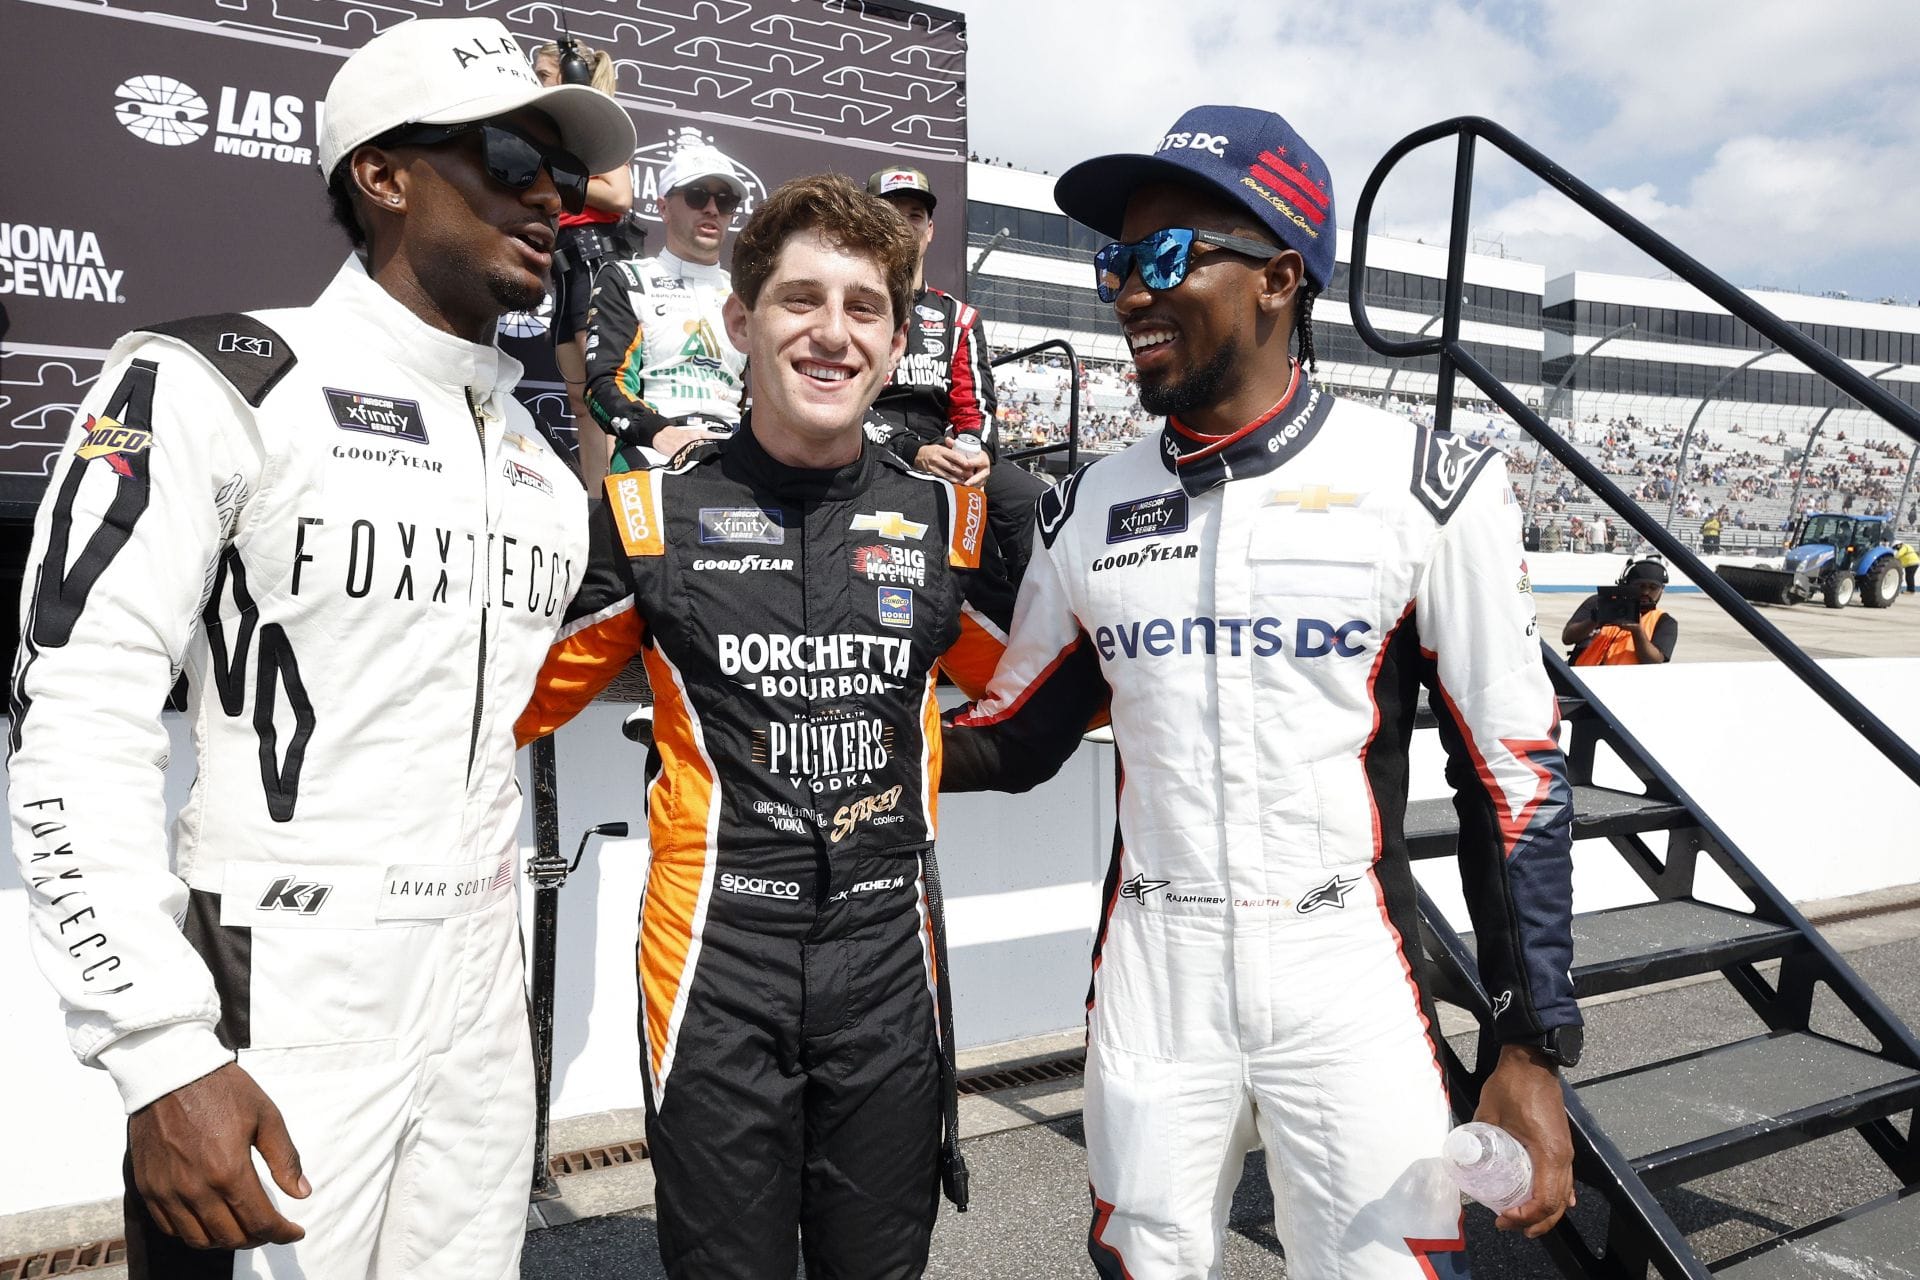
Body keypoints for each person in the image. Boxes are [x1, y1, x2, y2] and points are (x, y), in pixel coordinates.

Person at [6, 19, 632, 1278]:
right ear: (382, 175)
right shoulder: (210, 380)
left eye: (560, 179)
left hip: (478, 991)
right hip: (278, 983)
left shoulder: (541, 463)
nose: (545, 201)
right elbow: (74, 711)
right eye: (511, 158)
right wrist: (160, 1049)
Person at [940, 105, 1581, 1278]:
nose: (1128, 292)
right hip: (1155, 964)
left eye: (1166, 257)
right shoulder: (1083, 504)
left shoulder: (1429, 487)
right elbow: (1017, 735)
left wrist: (1531, 1040)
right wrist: (839, 739)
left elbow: (1515, 779)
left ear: (1282, 278)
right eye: (1116, 262)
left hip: (1346, 961)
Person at [515, 174, 1016, 1278]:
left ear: (895, 342)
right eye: (800, 300)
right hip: (714, 960)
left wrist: (930, 758)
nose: (832, 332)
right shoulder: (646, 518)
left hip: (890, 959)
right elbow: (503, 703)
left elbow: (1039, 701)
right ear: (742, 323)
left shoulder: (949, 521)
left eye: (864, 306)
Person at [865, 166, 1047, 577]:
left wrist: (975, 452)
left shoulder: (958, 317)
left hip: (941, 449)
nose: (902, 225)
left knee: (1034, 501)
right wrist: (913, 451)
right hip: (867, 448)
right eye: (889, 213)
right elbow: (846, 402)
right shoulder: (850, 305)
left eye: (913, 215)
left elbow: (976, 406)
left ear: (929, 230)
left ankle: (1041, 627)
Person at [583, 141, 749, 478]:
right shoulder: (628, 278)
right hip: (654, 444)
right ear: (663, 207)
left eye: (725, 200)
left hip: (734, 447)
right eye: (697, 195)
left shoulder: (744, 293)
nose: (712, 209)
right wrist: (661, 434)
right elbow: (602, 386)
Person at [532, 39, 635, 484]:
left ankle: (619, 509)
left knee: (601, 394)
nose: (532, 80)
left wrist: (554, 169)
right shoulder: (546, 134)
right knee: (579, 401)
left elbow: (619, 195)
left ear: (569, 77)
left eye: (540, 75)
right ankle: (597, 507)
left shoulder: (594, 128)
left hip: (594, 261)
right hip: (562, 270)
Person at [1565, 559, 1676, 665]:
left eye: (1653, 587)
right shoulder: (1598, 602)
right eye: (1640, 586)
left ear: (1661, 590)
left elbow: (1654, 661)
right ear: (1626, 584)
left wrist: (1637, 631)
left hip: (1625, 681)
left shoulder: (1664, 621)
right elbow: (1567, 638)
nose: (1646, 592)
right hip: (1580, 676)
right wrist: (1594, 620)